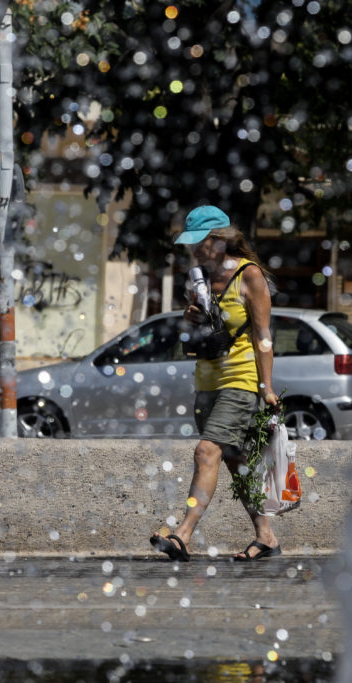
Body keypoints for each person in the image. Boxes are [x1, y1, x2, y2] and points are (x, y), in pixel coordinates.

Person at [150, 205, 282, 562]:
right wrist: (189, 317)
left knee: (206, 451)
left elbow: (263, 335)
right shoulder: (200, 280)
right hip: (206, 380)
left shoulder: (249, 275)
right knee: (235, 462)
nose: (194, 251)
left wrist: (266, 386)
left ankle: (182, 535)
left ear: (220, 240)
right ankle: (266, 535)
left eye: (201, 243)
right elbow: (195, 335)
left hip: (240, 380)